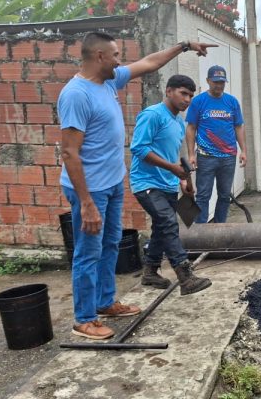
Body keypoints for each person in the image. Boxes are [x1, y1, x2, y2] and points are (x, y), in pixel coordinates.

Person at [58, 32, 215, 340]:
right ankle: (84, 318)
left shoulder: (109, 81)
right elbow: (69, 152)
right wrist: (87, 202)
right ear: (100, 57)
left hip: (113, 182)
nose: (120, 61)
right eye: (115, 55)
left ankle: (105, 302)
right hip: (90, 190)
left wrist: (184, 45)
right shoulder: (76, 94)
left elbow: (149, 62)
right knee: (88, 251)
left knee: (109, 245)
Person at [129, 75, 212, 296]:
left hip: (167, 184)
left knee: (160, 227)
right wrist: (172, 169)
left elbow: (171, 156)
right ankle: (185, 277)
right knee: (168, 222)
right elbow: (138, 148)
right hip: (145, 183)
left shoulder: (178, 122)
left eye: (191, 96)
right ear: (168, 91)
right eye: (183, 93)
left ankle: (150, 272)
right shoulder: (152, 115)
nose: (187, 99)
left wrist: (182, 179)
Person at [185, 65, 247, 223]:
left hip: (228, 157)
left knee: (225, 195)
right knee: (203, 195)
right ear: (208, 81)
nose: (219, 85)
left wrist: (244, 151)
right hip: (206, 157)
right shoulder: (198, 101)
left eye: (221, 82)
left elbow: (238, 127)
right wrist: (192, 154)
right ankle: (201, 232)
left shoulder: (232, 102)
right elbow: (191, 128)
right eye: (215, 82)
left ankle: (220, 229)